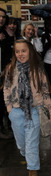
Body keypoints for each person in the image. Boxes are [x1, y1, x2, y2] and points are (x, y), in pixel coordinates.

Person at [3, 39, 51, 176]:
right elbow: (6, 88)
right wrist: (9, 109)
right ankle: (30, 158)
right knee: (22, 145)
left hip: (34, 110)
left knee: (31, 144)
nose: (21, 54)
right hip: (17, 112)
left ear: (30, 52)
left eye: (23, 51)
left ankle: (32, 174)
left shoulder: (37, 70)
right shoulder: (10, 69)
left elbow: (45, 92)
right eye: (17, 51)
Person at [0, 8, 14, 139]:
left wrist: (9, 38)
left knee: (7, 99)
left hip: (5, 71)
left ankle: (9, 126)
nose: (1, 19)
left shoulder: (7, 32)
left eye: (3, 17)